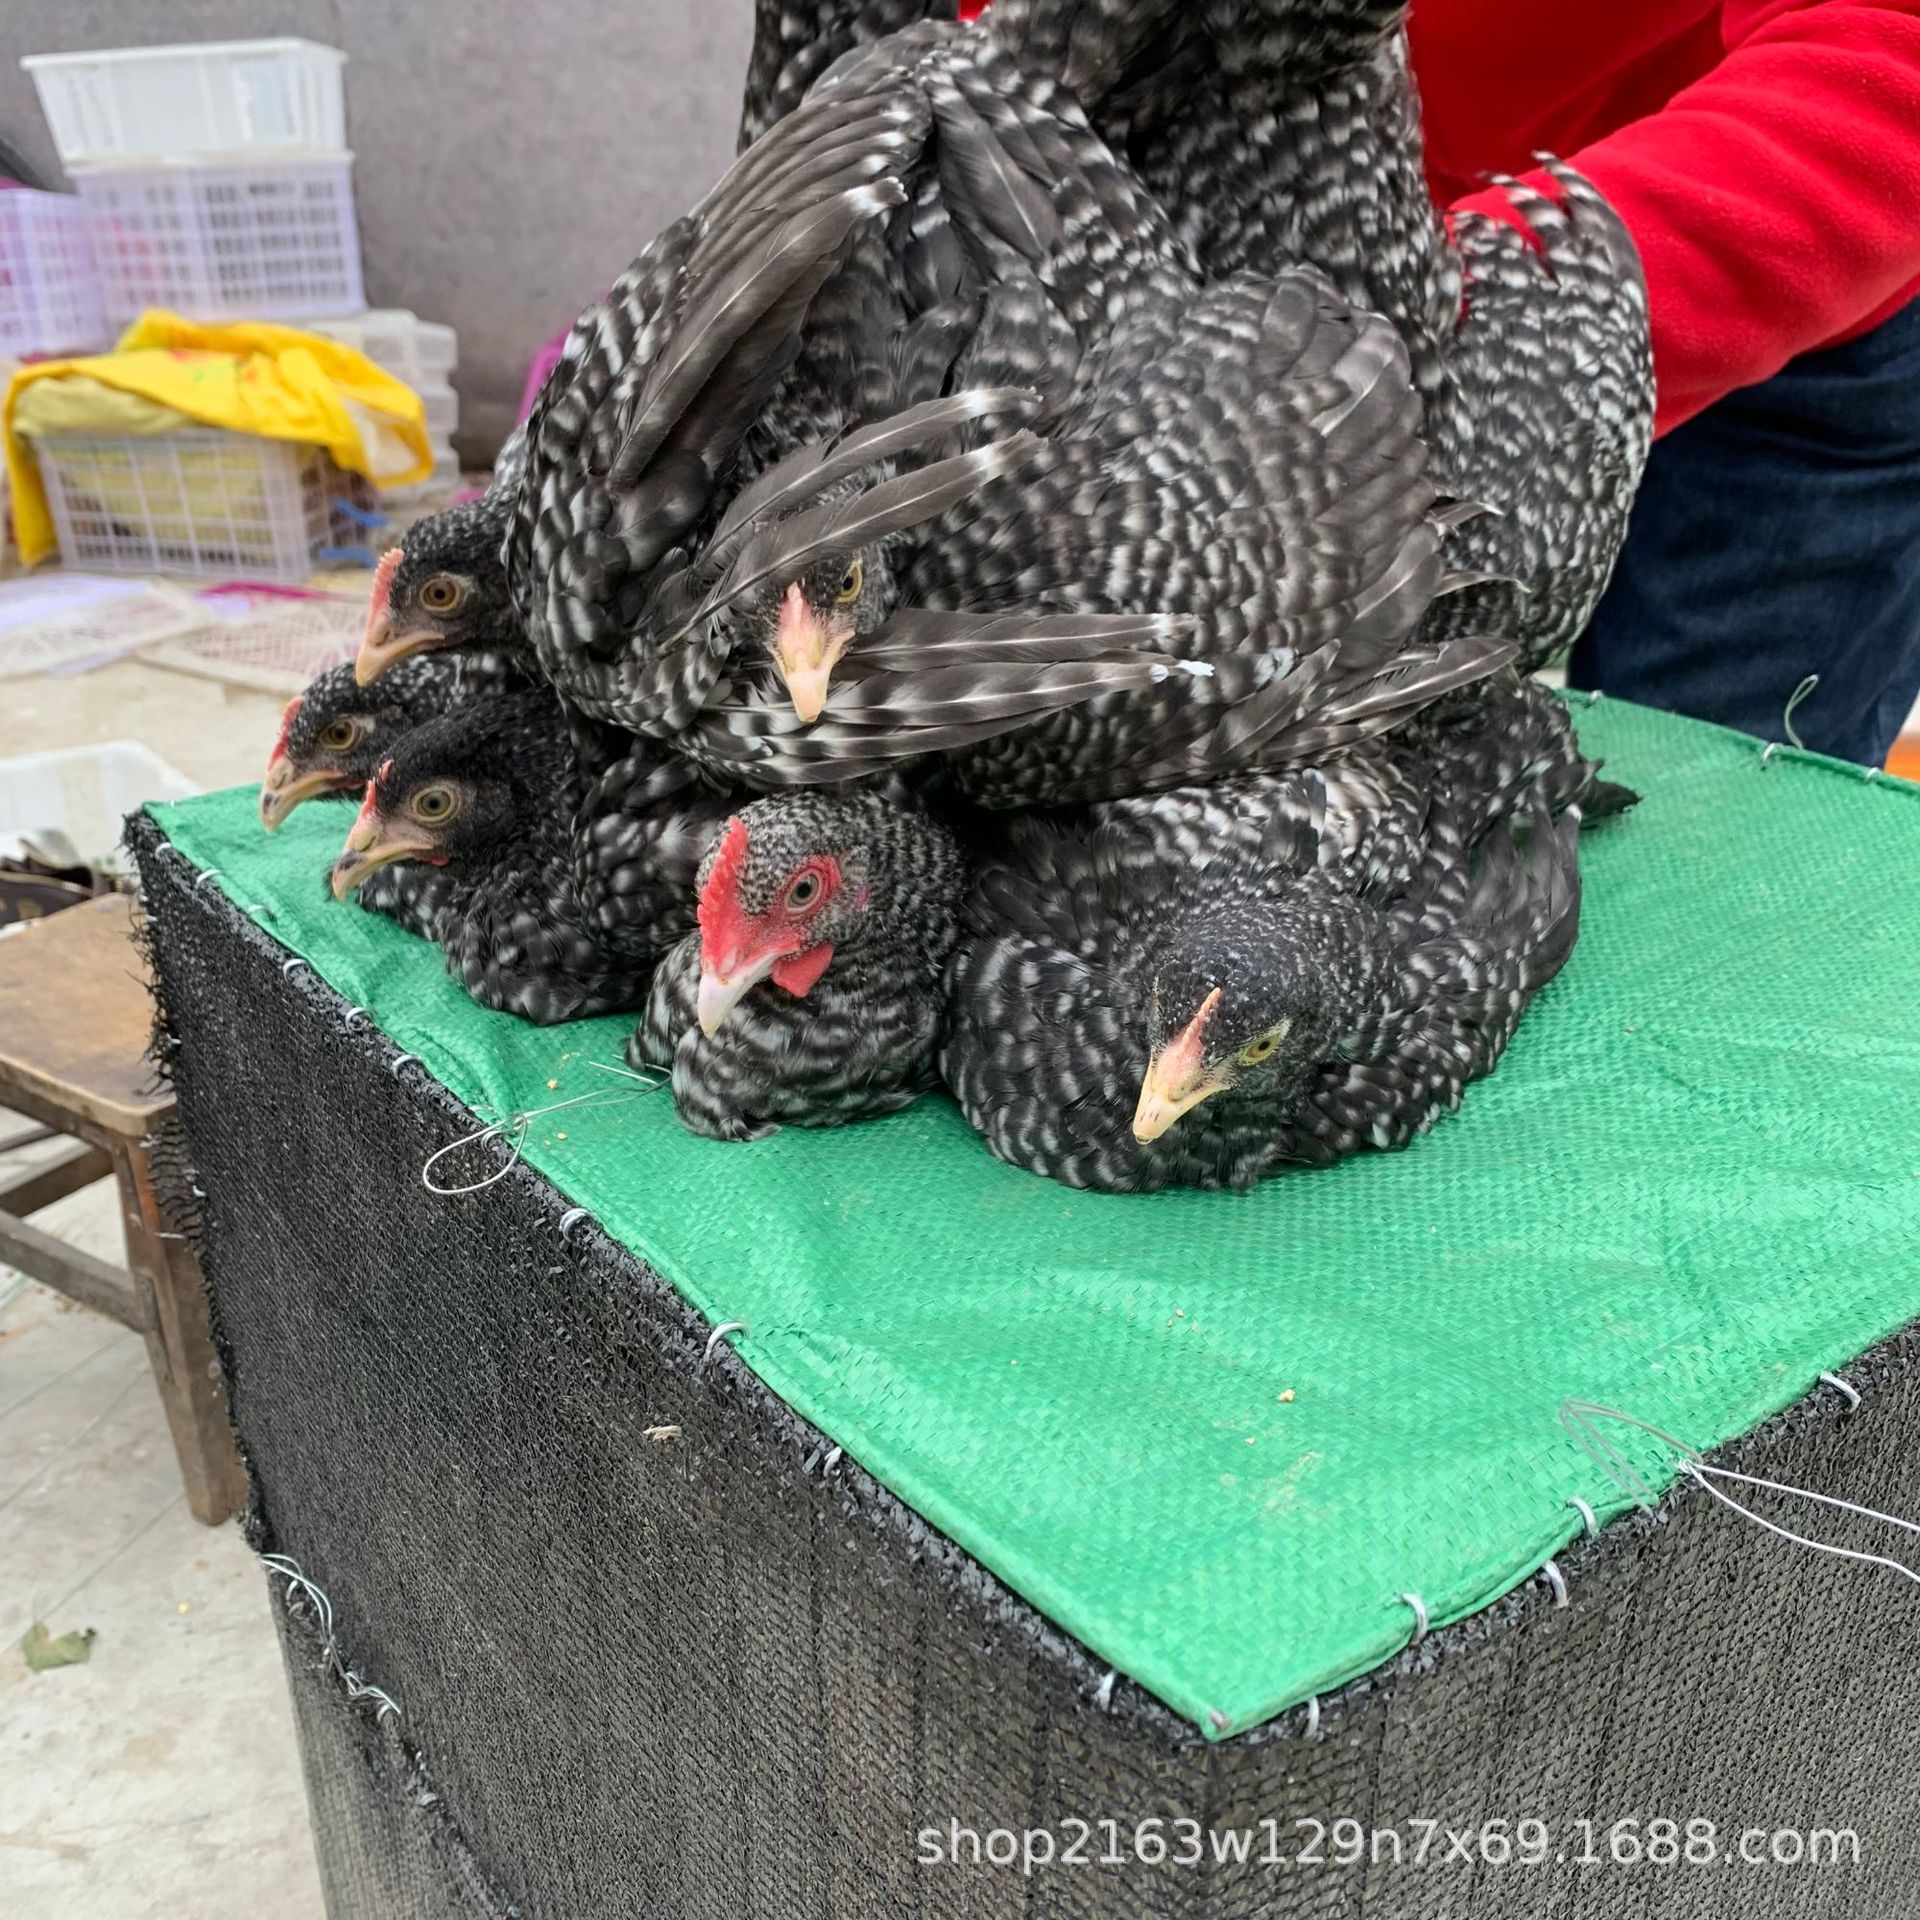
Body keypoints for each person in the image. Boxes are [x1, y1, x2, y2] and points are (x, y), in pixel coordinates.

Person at [1411, 0, 1920, 765]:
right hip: (1367, 271)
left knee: (1711, 815)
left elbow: (1892, 39)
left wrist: (1445, 315)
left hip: (1815, 275)